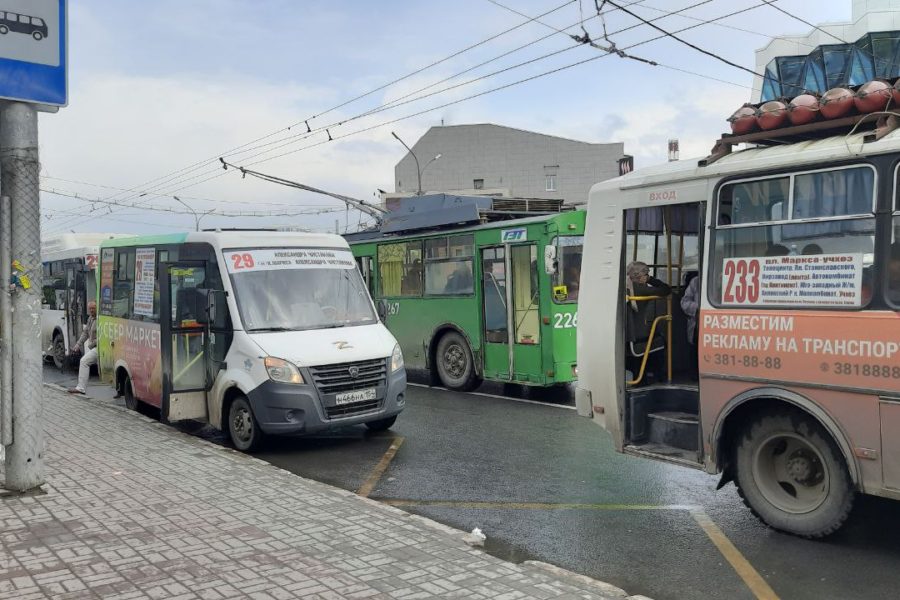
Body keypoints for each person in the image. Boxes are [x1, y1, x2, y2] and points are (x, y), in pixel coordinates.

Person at [67, 302, 98, 395]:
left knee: (84, 361)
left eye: (93, 308)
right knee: (85, 361)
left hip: (100, 347)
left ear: (97, 308)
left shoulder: (101, 319)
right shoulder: (90, 318)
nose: (91, 310)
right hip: (95, 347)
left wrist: (92, 344)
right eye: (90, 309)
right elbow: (85, 333)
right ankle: (80, 387)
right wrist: (78, 345)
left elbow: (102, 336)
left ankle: (81, 388)